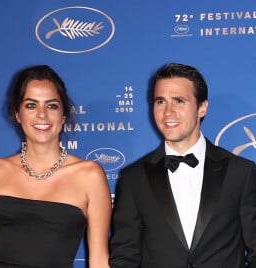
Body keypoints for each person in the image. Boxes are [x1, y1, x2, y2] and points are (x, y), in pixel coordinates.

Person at [110, 63, 256, 268]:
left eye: (179, 101)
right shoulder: (134, 178)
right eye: (160, 101)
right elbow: (125, 256)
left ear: (202, 107)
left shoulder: (241, 172)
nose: (168, 112)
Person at [0, 65, 111, 268]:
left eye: (51, 106)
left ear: (63, 115)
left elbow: (99, 260)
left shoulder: (89, 175)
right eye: (31, 105)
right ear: (18, 114)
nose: (41, 115)